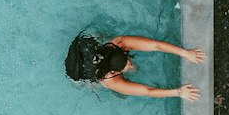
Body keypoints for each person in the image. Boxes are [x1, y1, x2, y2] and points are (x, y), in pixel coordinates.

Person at [64, 30, 205, 101]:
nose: (130, 64)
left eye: (128, 60)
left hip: (89, 49)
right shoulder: (111, 81)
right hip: (84, 73)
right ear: (113, 72)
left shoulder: (120, 42)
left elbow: (156, 45)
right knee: (111, 90)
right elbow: (148, 91)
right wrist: (179, 92)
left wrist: (186, 53)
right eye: (126, 65)